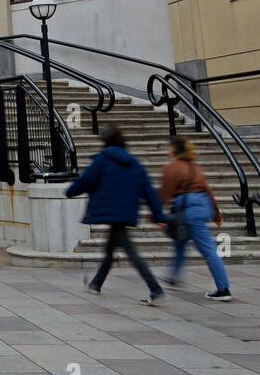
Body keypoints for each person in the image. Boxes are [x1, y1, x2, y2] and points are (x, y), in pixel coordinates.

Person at [65, 124, 168, 304]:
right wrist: (158, 215)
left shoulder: (102, 161)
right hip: (125, 212)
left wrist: (70, 191)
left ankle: (155, 288)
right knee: (111, 248)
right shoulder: (134, 163)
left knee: (130, 251)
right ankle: (96, 284)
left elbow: (86, 180)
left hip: (113, 212)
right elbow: (149, 191)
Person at [160, 137, 231, 301]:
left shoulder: (172, 167)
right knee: (180, 240)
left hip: (189, 211)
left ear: (174, 150)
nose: (167, 150)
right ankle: (174, 276)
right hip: (201, 206)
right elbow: (208, 191)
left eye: (168, 147)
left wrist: (157, 216)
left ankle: (223, 288)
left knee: (208, 251)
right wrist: (216, 215)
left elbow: (164, 193)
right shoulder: (194, 167)